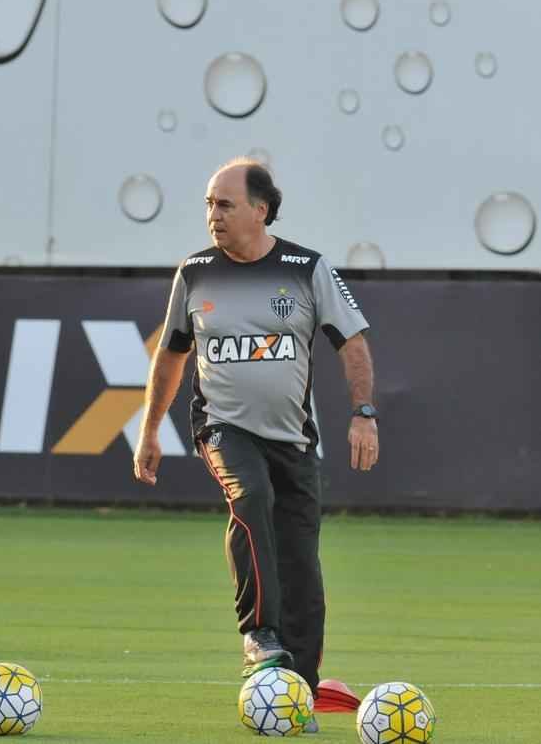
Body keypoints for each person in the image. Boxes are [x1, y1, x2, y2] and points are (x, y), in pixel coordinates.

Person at [133, 158, 379, 728]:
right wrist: (149, 430)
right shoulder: (194, 273)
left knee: (303, 566)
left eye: (225, 205)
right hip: (221, 426)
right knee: (249, 498)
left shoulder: (306, 267)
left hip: (293, 439)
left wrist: (363, 413)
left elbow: (353, 342)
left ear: (260, 210)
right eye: (209, 205)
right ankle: (258, 635)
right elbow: (172, 354)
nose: (212, 216)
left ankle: (300, 691)